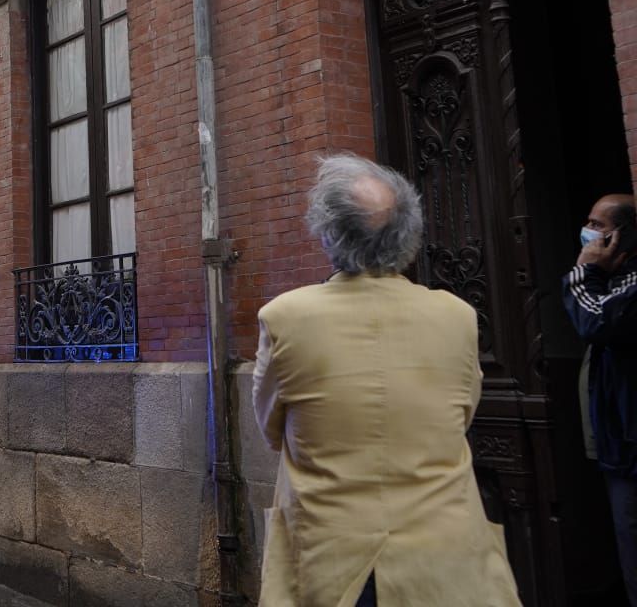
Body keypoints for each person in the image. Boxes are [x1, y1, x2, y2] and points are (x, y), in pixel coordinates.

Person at [254, 153, 519, 606]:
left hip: (333, 557)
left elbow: (271, 428)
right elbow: (463, 411)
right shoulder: (457, 316)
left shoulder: (285, 317)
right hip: (444, 556)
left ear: (328, 232)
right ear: (409, 234)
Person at [563, 193, 637, 604]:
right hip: (618, 441)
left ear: (623, 234)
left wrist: (584, 271)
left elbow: (595, 322)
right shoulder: (614, 278)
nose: (589, 232)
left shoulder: (629, 282)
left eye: (598, 225)